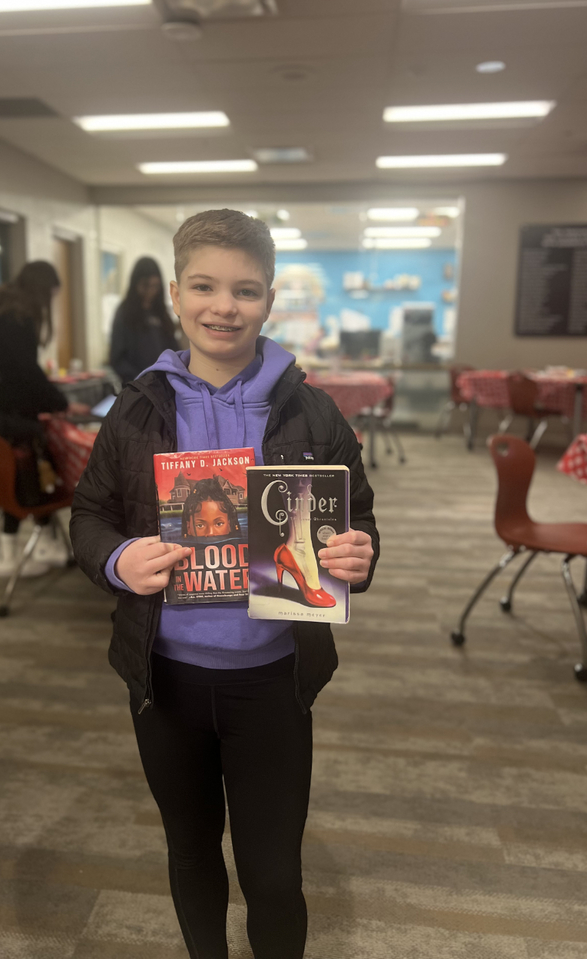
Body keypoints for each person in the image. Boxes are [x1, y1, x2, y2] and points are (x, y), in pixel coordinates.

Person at [70, 210, 379, 959]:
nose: (223, 306)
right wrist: (117, 561)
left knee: (274, 876)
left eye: (245, 290)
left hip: (273, 679)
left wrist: (359, 558)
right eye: (204, 286)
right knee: (191, 850)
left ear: (269, 301)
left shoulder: (312, 410)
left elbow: (358, 521)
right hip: (165, 679)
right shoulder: (137, 410)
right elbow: (88, 516)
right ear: (175, 294)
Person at [0, 260, 86, 578]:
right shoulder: (16, 316)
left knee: (15, 481)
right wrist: (61, 403)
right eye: (50, 295)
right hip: (13, 419)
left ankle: (37, 546)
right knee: (31, 478)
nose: (49, 303)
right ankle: (19, 553)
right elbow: (25, 371)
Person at [109, 256, 178, 383]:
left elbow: (174, 349)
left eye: (155, 286)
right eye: (146, 286)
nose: (151, 291)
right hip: (138, 386)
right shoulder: (125, 312)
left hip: (165, 384)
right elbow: (117, 358)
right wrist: (141, 379)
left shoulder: (162, 313)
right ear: (136, 284)